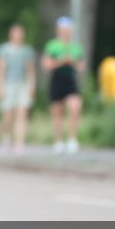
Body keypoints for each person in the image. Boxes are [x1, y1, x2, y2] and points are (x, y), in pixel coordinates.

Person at [42, 16, 85, 154]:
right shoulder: (52, 46)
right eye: (63, 29)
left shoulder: (76, 47)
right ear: (59, 30)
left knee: (74, 108)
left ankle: (72, 139)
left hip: (71, 80)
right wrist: (61, 61)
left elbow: (81, 66)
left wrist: (72, 61)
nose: (66, 31)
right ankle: (58, 141)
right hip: (57, 80)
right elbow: (46, 64)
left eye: (68, 29)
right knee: (57, 113)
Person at [0, 24, 36, 153]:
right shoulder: (4, 50)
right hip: (8, 84)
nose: (18, 36)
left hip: (22, 84)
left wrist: (31, 86)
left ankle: (20, 143)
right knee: (8, 114)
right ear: (11, 35)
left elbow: (30, 71)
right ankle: (7, 137)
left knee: (22, 113)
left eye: (20, 33)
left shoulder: (27, 51)